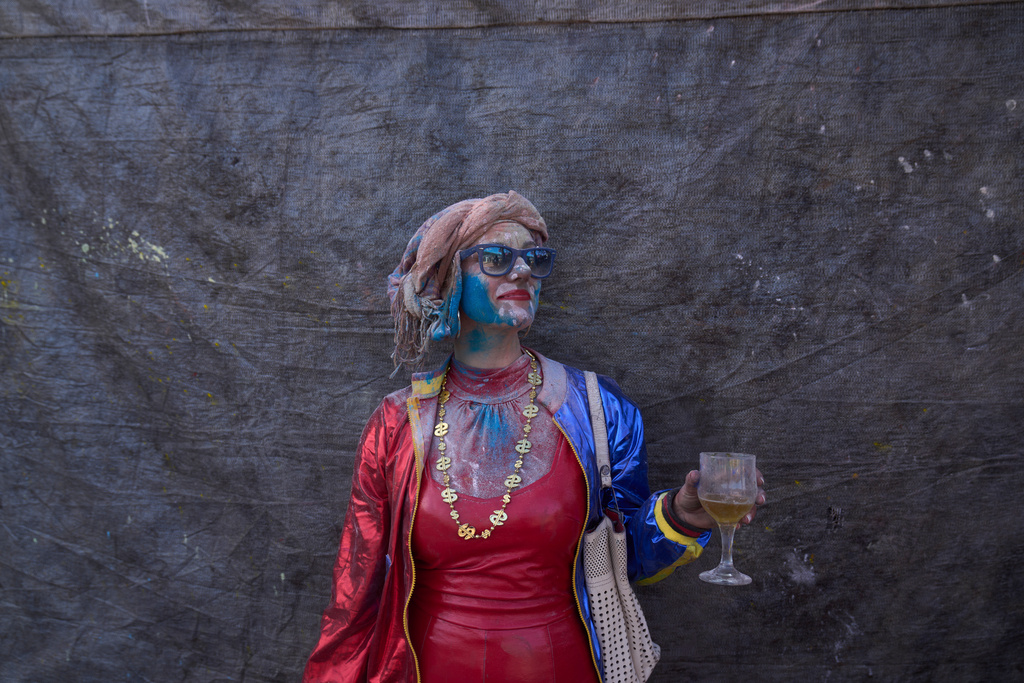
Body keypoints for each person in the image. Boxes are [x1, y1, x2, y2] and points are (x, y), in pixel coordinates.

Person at [303, 191, 765, 683]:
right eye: (498, 258)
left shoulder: (599, 411)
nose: (522, 271)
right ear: (450, 280)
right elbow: (355, 594)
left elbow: (622, 559)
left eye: (535, 259)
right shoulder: (396, 425)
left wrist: (680, 515)